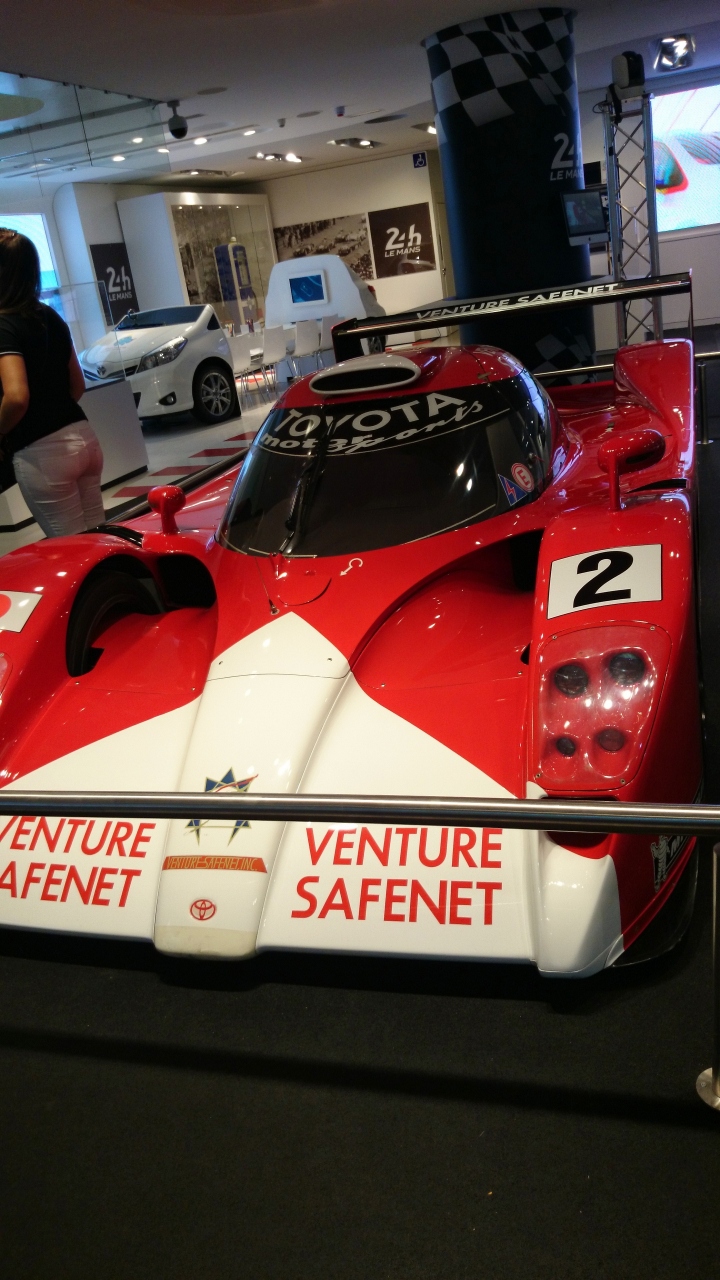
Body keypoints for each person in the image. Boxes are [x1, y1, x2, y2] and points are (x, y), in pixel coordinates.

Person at [0, 228, 105, 537]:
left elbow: (16, 397)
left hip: (42, 453)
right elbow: (78, 385)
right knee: (99, 540)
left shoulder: (3, 325)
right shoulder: (50, 315)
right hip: (84, 438)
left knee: (71, 549)